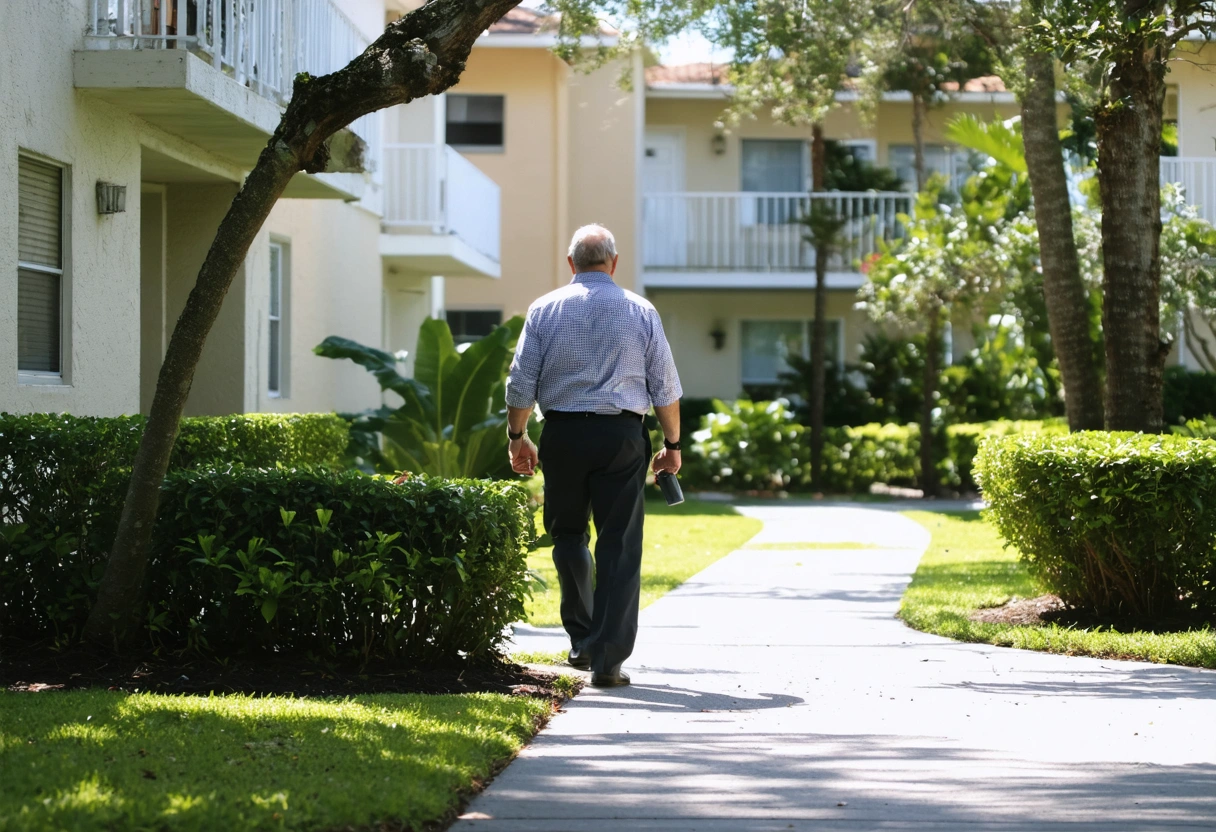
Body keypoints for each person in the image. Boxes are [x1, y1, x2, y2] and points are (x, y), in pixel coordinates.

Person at [504, 224, 683, 688]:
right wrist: (672, 446)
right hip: (621, 435)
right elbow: (665, 386)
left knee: (567, 535)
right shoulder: (640, 310)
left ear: (571, 265)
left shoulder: (545, 309)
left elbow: (520, 382)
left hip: (562, 434)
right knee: (618, 544)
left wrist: (517, 435)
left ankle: (582, 641)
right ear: (614, 263)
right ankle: (607, 660)